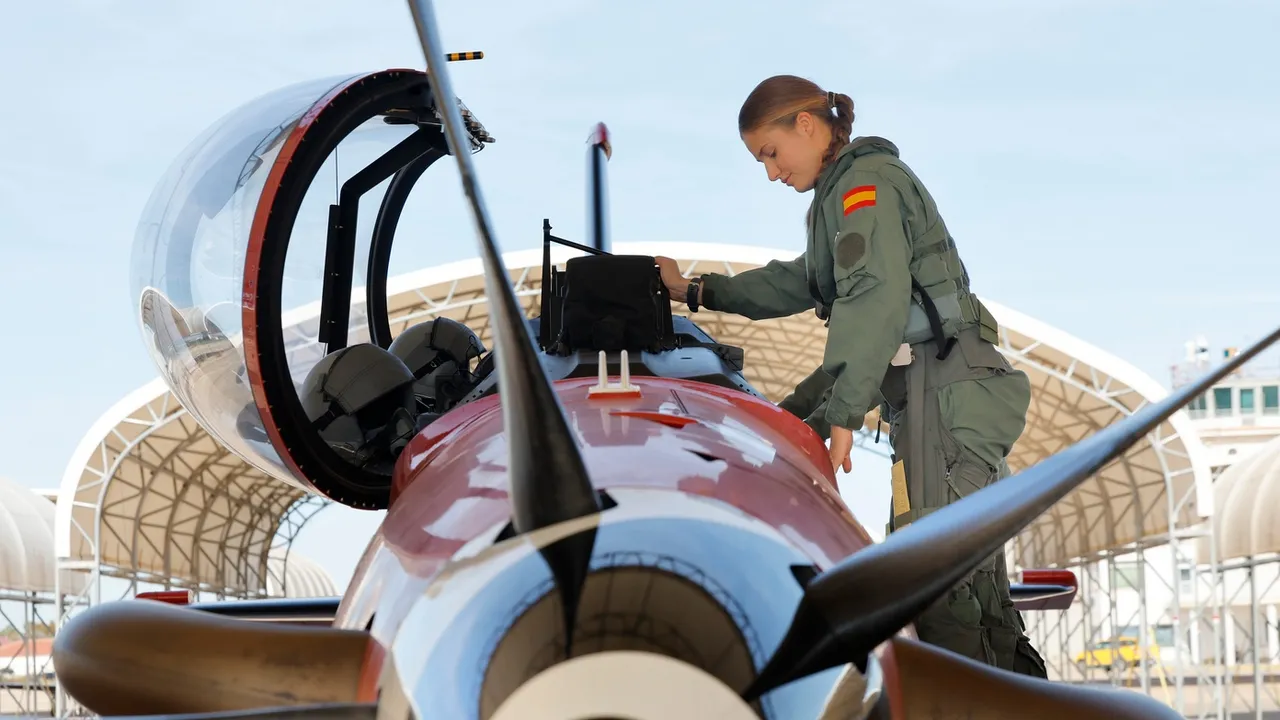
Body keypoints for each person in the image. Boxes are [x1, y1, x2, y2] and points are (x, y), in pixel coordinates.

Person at [654, 74, 1047, 678]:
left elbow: (874, 299)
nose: (770, 172)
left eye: (770, 153)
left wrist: (841, 415)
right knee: (971, 596)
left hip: (943, 395)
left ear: (806, 126)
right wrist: (696, 290)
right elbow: (798, 281)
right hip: (934, 398)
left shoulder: (864, 186)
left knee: (935, 591)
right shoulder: (837, 199)